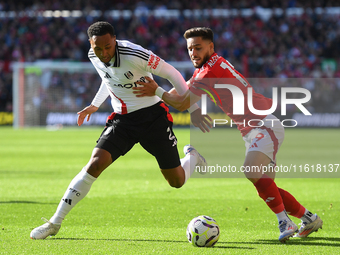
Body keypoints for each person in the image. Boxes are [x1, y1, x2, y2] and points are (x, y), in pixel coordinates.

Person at [133, 27, 323, 243]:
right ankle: (309, 218)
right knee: (265, 185)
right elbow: (182, 92)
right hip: (252, 130)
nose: (193, 53)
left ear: (210, 47)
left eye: (197, 47)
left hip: (263, 125)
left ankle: (284, 221)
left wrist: (156, 90)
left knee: (251, 170)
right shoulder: (210, 66)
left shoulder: (209, 72)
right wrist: (155, 95)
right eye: (189, 49)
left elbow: (182, 101)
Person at [30, 21, 208, 239]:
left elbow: (173, 74)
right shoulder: (93, 55)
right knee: (94, 164)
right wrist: (95, 104)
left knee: (176, 181)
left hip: (153, 117)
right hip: (122, 121)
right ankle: (54, 223)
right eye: (98, 48)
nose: (104, 52)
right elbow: (108, 78)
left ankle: (193, 156)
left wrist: (195, 109)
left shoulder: (135, 54)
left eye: (108, 46)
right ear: (90, 44)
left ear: (114, 40)